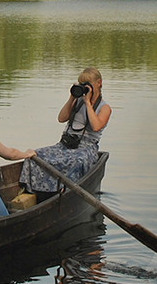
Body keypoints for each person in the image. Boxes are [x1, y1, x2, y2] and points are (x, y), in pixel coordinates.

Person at [20, 67, 111, 201]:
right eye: (82, 84)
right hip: (66, 143)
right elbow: (61, 118)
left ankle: (65, 193)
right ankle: (34, 190)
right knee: (34, 155)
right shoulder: (77, 101)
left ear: (99, 83)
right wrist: (72, 98)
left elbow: (96, 126)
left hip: (86, 148)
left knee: (77, 161)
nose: (85, 88)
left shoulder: (104, 107)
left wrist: (88, 103)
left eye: (88, 84)